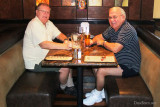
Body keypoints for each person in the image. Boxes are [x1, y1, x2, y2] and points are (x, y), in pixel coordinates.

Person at [83, 7, 141, 106]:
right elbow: (100, 37)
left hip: (129, 66)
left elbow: (115, 48)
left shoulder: (127, 29)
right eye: (110, 17)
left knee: (101, 71)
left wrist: (103, 43)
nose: (112, 20)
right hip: (117, 61)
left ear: (123, 17)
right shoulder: (113, 28)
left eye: (115, 17)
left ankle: (97, 94)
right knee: (95, 65)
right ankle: (100, 92)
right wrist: (92, 41)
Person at [23, 3, 76, 96]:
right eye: (43, 11)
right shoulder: (34, 24)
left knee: (68, 59)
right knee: (65, 67)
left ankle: (70, 86)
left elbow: (59, 35)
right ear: (36, 12)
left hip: (46, 57)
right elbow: (43, 44)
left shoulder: (48, 23)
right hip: (36, 63)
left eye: (47, 12)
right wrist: (65, 46)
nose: (45, 14)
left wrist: (66, 40)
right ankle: (62, 88)